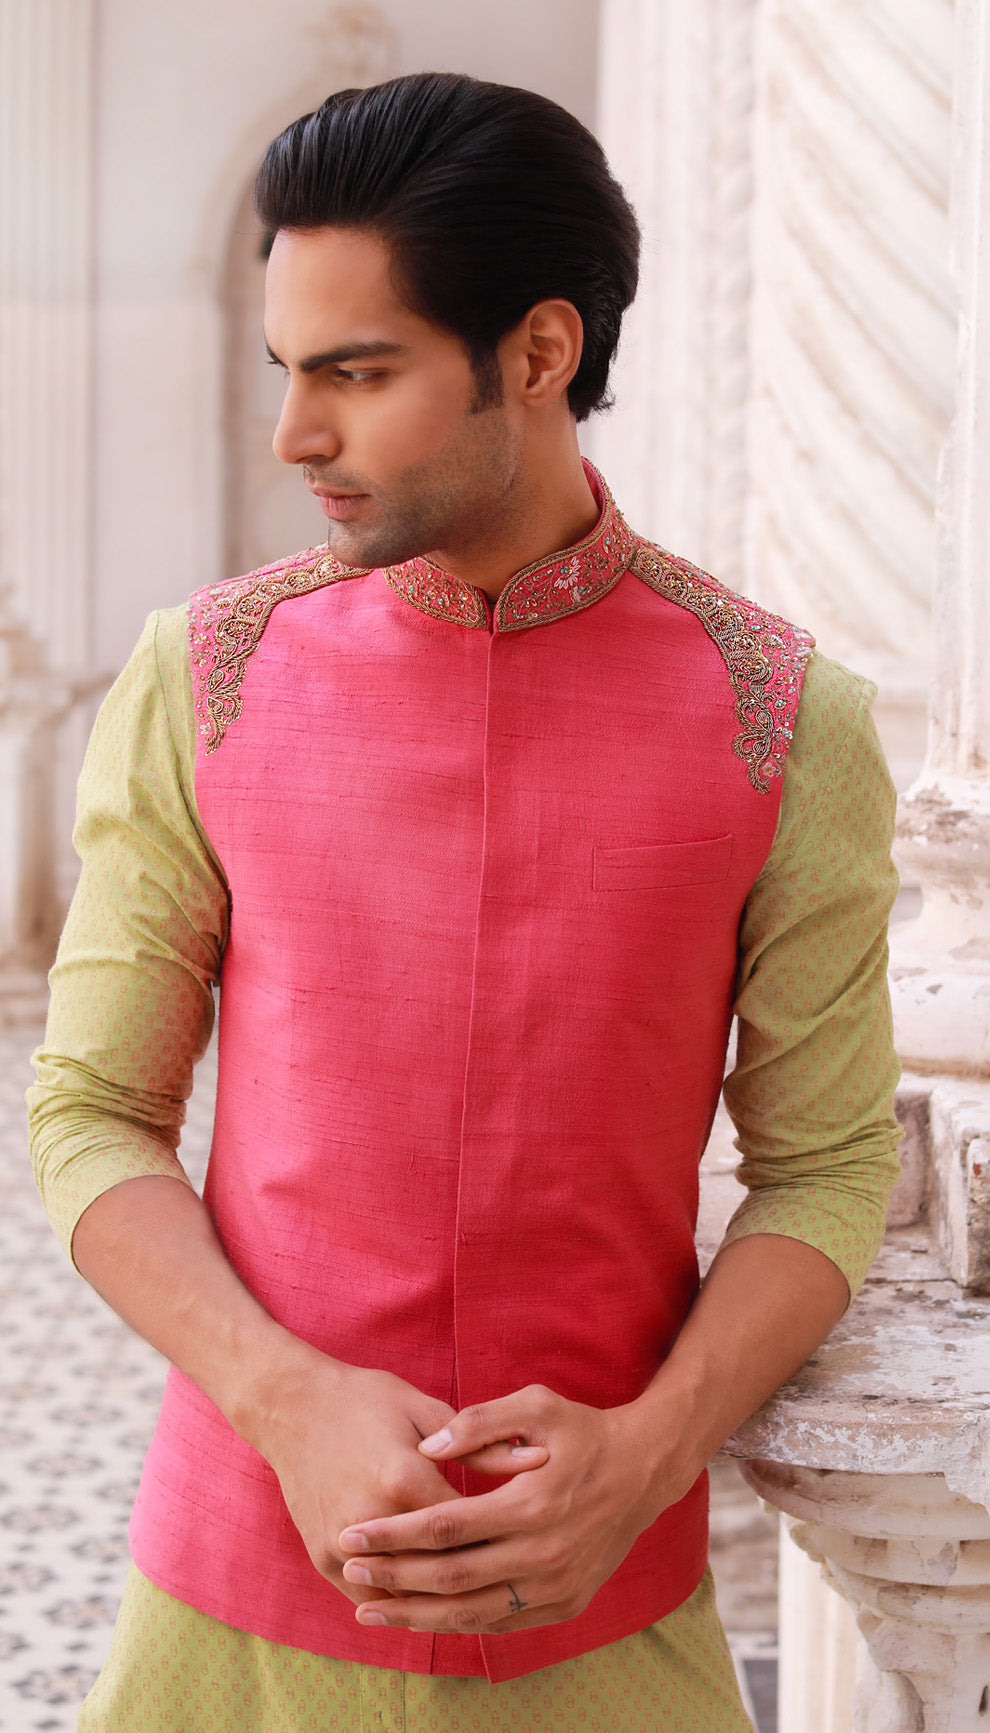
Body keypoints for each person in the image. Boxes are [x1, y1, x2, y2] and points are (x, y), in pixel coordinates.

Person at [29, 71, 902, 1732]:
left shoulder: (784, 719)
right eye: (288, 372)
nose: (297, 435)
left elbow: (828, 1164)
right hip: (231, 1609)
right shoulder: (204, 676)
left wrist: (645, 1458)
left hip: (602, 1626)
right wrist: (279, 1397)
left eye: (357, 375)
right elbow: (89, 1113)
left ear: (540, 351)